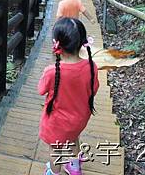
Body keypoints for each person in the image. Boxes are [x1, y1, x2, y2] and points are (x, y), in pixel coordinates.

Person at [38, 18, 99, 175]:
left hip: (57, 123)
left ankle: (53, 172)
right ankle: (74, 167)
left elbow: (41, 90)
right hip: (79, 120)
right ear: (82, 43)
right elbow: (94, 88)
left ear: (56, 43)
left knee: (55, 149)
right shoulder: (92, 67)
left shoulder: (52, 71)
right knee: (73, 138)